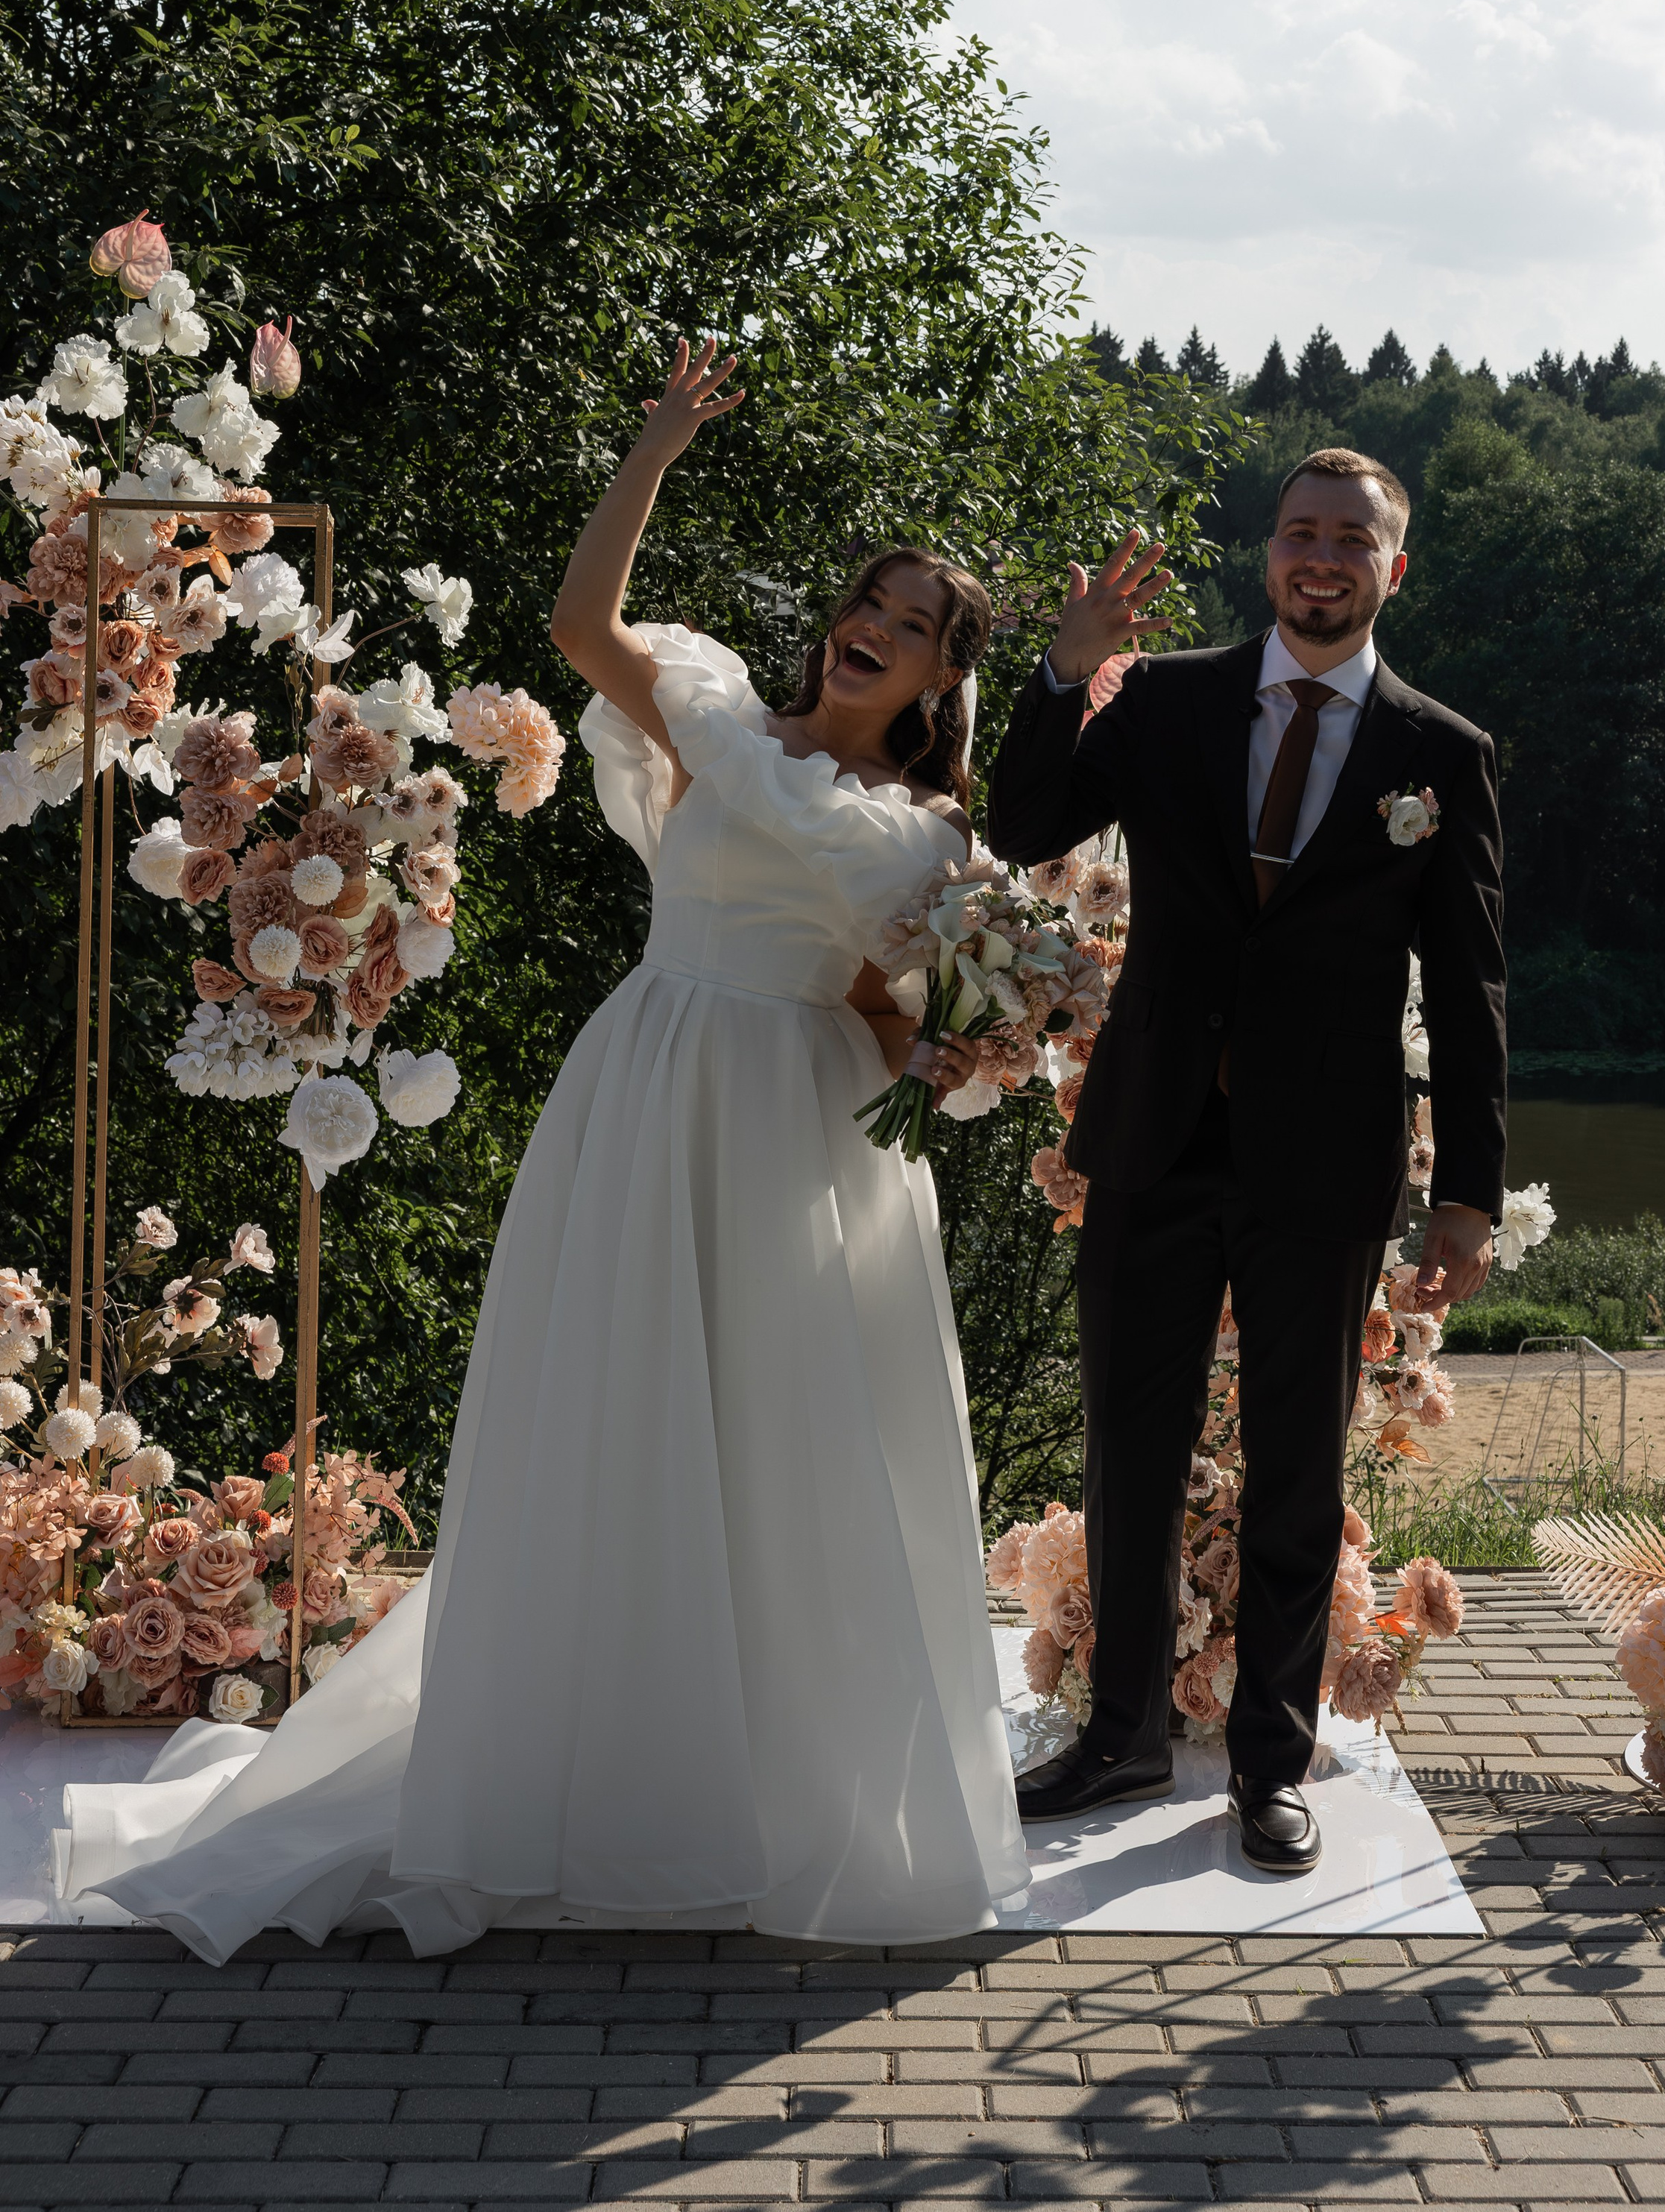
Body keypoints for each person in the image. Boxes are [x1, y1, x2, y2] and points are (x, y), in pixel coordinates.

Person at [63, 338, 1027, 1959]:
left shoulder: (923, 838)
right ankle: (587, 1780)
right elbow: (582, 624)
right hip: (649, 1082)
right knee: (620, 1413)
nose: (882, 629)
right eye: (875, 602)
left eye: (921, 626)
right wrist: (652, 443)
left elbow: (888, 1017)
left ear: (942, 677)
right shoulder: (717, 714)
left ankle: (777, 1801)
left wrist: (963, 1052)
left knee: (781, 1449)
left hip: (794, 1130)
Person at [986, 446, 1505, 1874]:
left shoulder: (1439, 755)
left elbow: (1470, 993)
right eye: (1298, 532)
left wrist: (1465, 1189)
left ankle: (1271, 1763)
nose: (1320, 556)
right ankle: (1122, 1736)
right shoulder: (1161, 701)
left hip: (1325, 1157)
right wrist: (1061, 671)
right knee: (1131, 1450)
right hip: (1154, 1131)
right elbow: (1023, 827)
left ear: (1394, 569)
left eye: (1352, 536)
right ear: (1268, 555)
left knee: (1295, 1466)